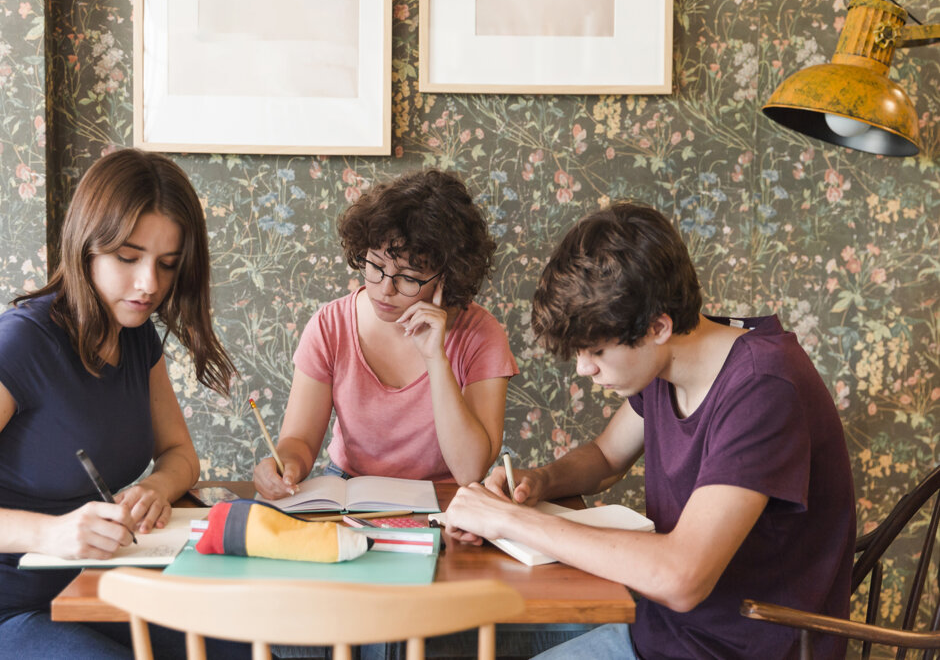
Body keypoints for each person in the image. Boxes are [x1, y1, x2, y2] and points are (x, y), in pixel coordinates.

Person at [444, 202, 856, 660]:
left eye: (596, 349)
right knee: (469, 635)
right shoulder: (668, 366)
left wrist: (509, 520)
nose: (584, 369)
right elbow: (604, 458)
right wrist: (538, 480)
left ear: (658, 326)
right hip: (662, 632)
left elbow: (681, 579)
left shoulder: (764, 387)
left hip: (737, 649)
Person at [0, 149, 244, 659]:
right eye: (127, 257)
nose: (150, 285)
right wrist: (50, 533)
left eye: (167, 264)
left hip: (73, 596)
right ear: (86, 246)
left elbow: (180, 454)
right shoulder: (19, 344)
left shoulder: (135, 335)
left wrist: (154, 489)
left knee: (250, 642)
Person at [253, 169, 517, 497]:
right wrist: (285, 466)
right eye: (375, 265)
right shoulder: (330, 325)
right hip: (349, 489)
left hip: (443, 497)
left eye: (408, 277)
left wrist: (436, 358)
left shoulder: (482, 336)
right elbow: (300, 442)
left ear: (446, 277)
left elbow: (469, 470)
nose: (384, 289)